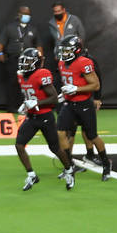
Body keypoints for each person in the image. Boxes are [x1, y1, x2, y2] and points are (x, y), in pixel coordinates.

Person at [15, 47, 76, 190]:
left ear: (36, 63)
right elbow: (30, 94)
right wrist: (25, 105)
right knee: (19, 145)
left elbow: (54, 98)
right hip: (32, 117)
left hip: (45, 117)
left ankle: (69, 169)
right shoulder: (21, 75)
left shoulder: (41, 74)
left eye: (28, 61)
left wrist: (36, 102)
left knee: (54, 148)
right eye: (23, 61)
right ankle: (31, 175)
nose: (25, 64)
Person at [56, 35, 111, 180]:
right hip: (69, 104)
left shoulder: (84, 62)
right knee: (61, 133)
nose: (64, 53)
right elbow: (69, 81)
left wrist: (76, 89)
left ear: (76, 50)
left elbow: (95, 85)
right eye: (64, 50)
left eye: (68, 51)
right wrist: (64, 93)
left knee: (92, 136)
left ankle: (106, 163)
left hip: (83, 104)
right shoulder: (62, 63)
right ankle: (69, 166)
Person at [0, 7, 39, 109]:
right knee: (12, 82)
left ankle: (25, 106)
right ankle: (11, 107)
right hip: (14, 58)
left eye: (28, 14)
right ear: (19, 14)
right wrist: (0, 53)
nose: (26, 16)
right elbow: (1, 42)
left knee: (27, 82)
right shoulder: (10, 27)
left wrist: (40, 55)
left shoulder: (32, 29)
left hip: (28, 60)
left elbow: (38, 44)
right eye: (24, 14)